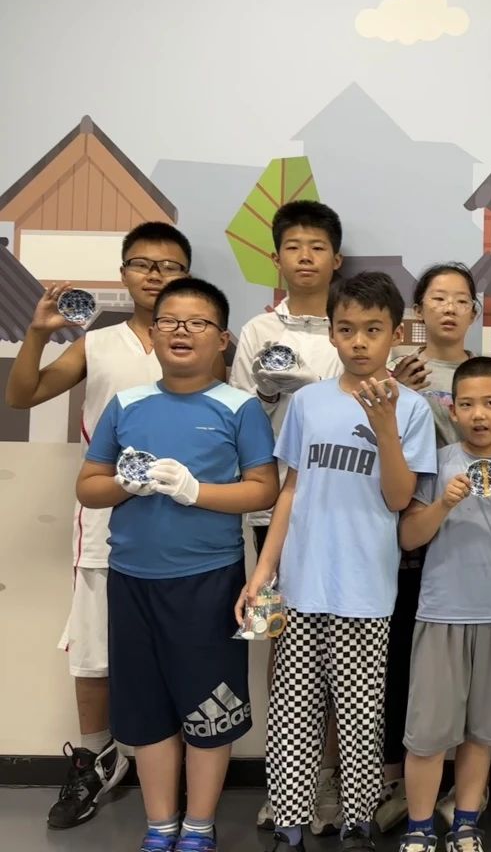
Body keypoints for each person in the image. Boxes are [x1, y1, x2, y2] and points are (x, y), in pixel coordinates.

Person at [75, 277, 279, 852]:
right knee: (147, 713)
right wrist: (125, 484)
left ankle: (199, 826)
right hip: (132, 582)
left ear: (222, 339)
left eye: (198, 323)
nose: (181, 332)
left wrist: (196, 492)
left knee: (210, 710)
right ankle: (161, 824)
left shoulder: (239, 407)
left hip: (208, 583)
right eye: (169, 321)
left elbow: (263, 489)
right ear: (154, 332)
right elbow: (88, 485)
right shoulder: (127, 404)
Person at [5, 221, 194, 831]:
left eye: (169, 266)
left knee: (180, 648)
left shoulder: (207, 340)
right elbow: (22, 396)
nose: (155, 275)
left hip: (189, 520)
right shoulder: (99, 343)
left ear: (186, 274)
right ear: (123, 274)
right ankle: (96, 758)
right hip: (106, 518)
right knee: (93, 651)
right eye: (143, 264)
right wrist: (38, 334)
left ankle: (179, 766)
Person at [244, 271, 436, 852]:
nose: (359, 341)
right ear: (331, 332)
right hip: (301, 584)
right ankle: (289, 825)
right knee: (293, 712)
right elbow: (290, 490)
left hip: (365, 590)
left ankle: (358, 823)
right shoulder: (308, 402)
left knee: (360, 715)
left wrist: (386, 430)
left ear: (396, 334)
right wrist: (263, 572)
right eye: (347, 329)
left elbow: (399, 500)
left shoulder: (412, 410)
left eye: (373, 330)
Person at [228, 199, 346, 836]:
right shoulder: (257, 330)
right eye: (294, 246)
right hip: (275, 504)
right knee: (283, 643)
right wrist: (270, 394)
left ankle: (328, 780)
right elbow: (242, 417)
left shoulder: (351, 327)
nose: (305, 257)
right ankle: (286, 785)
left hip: (345, 508)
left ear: (336, 259)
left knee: (340, 648)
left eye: (317, 246)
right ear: (276, 257)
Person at [396, 356, 491, 852]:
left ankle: (465, 823)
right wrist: (444, 502)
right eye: (469, 404)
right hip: (441, 613)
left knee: (483, 732)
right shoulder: (436, 463)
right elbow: (410, 537)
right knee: (428, 733)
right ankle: (419, 827)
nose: (480, 414)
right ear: (452, 410)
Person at [376, 262, 480, 834]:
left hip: (466, 543)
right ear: (418, 311)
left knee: (462, 671)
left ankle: (459, 788)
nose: (449, 308)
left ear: (474, 312)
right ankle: (397, 782)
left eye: (460, 299)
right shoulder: (394, 368)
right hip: (407, 540)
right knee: (400, 667)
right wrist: (400, 394)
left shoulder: (484, 374)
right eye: (437, 298)